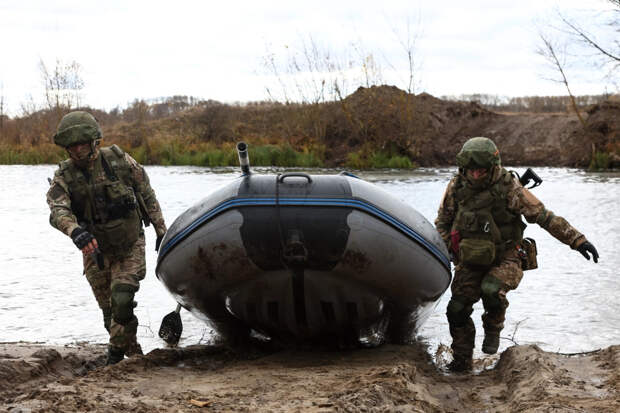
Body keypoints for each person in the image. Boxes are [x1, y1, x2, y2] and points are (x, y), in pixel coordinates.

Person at [435, 137, 599, 372]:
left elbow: (545, 217)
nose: (475, 175)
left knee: (491, 290)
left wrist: (578, 240)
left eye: (481, 170)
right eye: (471, 170)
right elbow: (442, 221)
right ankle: (462, 361)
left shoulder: (509, 187)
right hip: (470, 258)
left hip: (507, 256)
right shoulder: (456, 188)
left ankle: (493, 325)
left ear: (491, 167)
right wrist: (446, 250)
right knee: (456, 309)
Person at [46, 111, 167, 365]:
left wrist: (161, 230)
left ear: (93, 142)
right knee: (109, 313)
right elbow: (58, 209)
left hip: (129, 243)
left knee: (122, 299)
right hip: (95, 251)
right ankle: (135, 356)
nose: (77, 150)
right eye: (72, 146)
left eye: (82, 144)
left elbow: (146, 192)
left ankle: (113, 359)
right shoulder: (64, 176)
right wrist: (75, 231)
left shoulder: (119, 161)